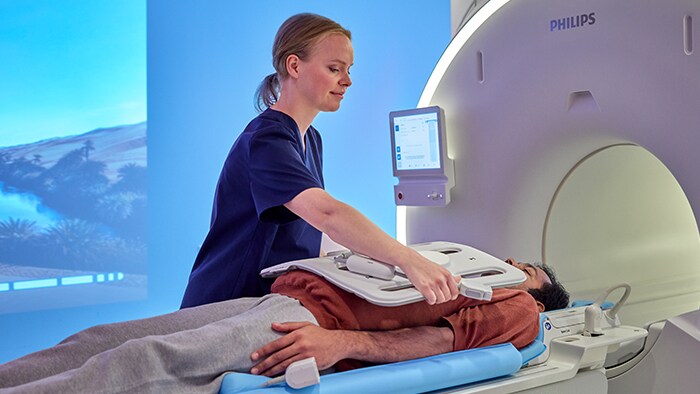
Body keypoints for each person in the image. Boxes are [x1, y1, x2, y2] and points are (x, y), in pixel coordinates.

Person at [181, 13, 461, 309]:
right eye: (334, 69)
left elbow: (314, 231)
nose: (348, 81)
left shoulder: (310, 139)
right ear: (294, 65)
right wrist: (408, 260)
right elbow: (327, 215)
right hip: (223, 304)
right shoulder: (266, 141)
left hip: (266, 302)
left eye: (349, 70)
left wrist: (376, 263)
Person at [0, 259, 569, 394]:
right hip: (280, 295)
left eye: (528, 268)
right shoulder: (462, 262)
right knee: (101, 339)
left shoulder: (518, 310)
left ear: (541, 297)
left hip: (312, 321)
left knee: (146, 360)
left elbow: (438, 341)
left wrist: (338, 344)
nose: (514, 262)